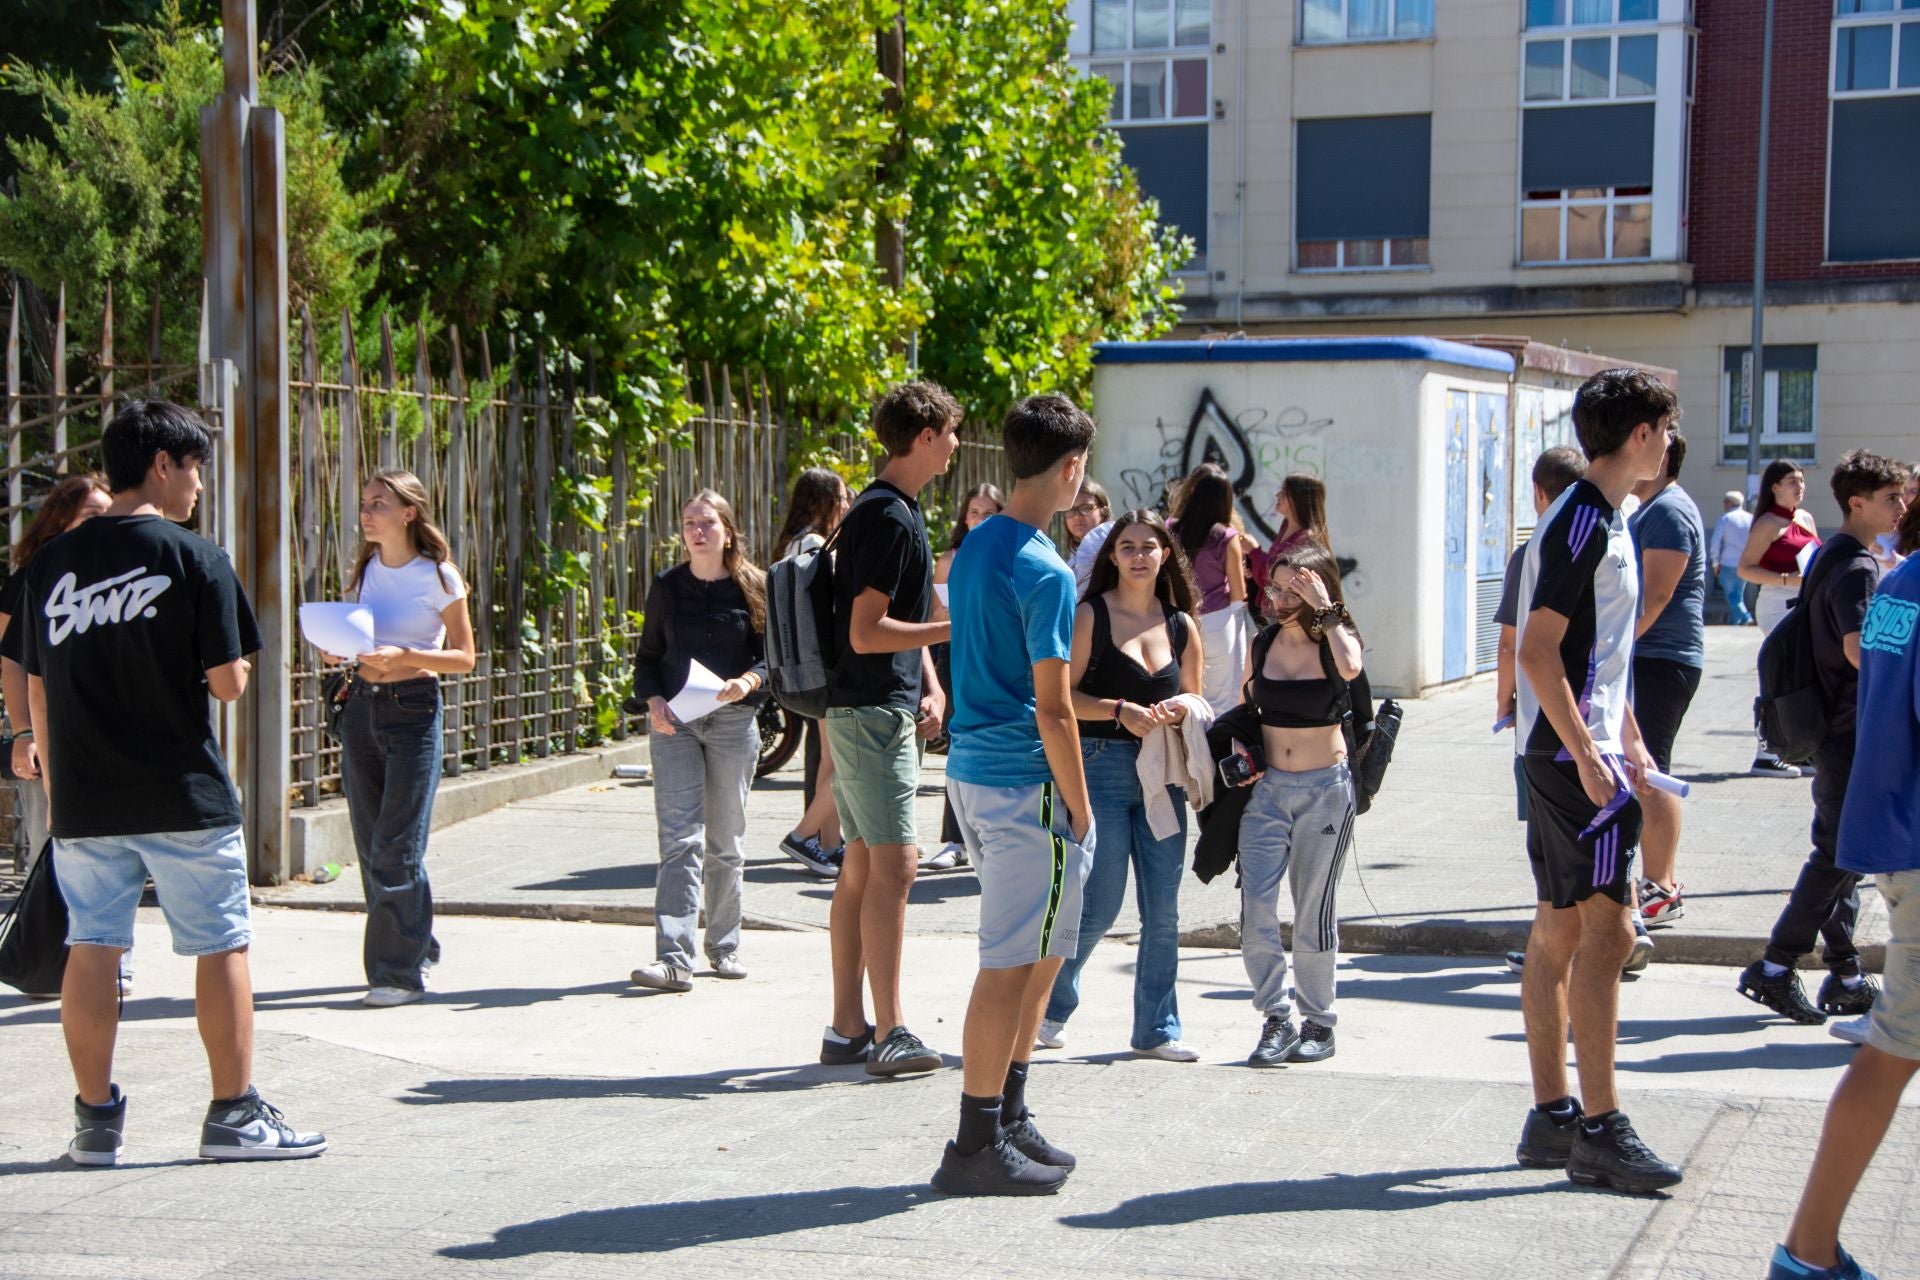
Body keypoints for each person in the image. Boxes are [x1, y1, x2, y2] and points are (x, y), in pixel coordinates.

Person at [22, 400, 325, 1164]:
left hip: (86, 796)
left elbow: (33, 683)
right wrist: (238, 663)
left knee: (90, 945)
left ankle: (95, 1125)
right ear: (162, 464)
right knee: (220, 943)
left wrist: (53, 780)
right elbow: (228, 684)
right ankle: (233, 1116)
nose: (197, 486)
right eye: (193, 468)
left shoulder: (49, 567)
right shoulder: (195, 557)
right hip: (181, 789)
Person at [1511, 368, 1681, 1195]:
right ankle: (1601, 1129)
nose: (1669, 441)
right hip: (1567, 757)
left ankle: (1552, 1117)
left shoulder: (1602, 515)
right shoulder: (1584, 518)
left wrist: (1630, 739)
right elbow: (1540, 652)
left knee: (1561, 928)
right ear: (1641, 433)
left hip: (1574, 750)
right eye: (1665, 426)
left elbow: (1597, 658)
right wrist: (1587, 753)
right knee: (1608, 934)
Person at [935, 393, 1095, 1196]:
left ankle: (1005, 1113)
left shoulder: (975, 545)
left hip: (972, 769)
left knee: (1036, 953)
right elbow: (1055, 706)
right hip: (1022, 780)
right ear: (1071, 469)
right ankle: (973, 1142)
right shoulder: (1047, 569)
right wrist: (1080, 801)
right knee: (1008, 965)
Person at [1766, 550, 1920, 1280]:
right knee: (1892, 1050)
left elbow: (1884, 678)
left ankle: (1809, 1251)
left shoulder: (1901, 583)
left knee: (1893, 1050)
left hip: (1895, 832)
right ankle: (1807, 1252)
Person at [1736, 452, 1911, 1028]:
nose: (1902, 507)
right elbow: (1858, 648)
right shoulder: (1858, 566)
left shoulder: (1829, 552)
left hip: (1827, 723)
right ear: (1857, 501)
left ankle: (1844, 972)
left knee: (1841, 851)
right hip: (1846, 727)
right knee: (1836, 854)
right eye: (1892, 498)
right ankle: (1775, 967)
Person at [819, 381, 957, 1077]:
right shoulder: (889, 518)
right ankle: (890, 1030)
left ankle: (848, 1025)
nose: (957, 446)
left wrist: (930, 681)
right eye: (951, 433)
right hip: (871, 709)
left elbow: (892, 624)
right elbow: (867, 632)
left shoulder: (886, 509)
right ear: (926, 435)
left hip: (872, 705)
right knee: (895, 864)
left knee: (865, 864)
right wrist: (958, 627)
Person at [1037, 509, 1205, 1060]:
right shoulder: (1091, 615)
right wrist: (1119, 710)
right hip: (1101, 766)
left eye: (1148, 546)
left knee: (1164, 910)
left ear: (1164, 556)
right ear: (1112, 556)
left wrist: (1182, 711)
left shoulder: (1181, 625)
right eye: (1127, 546)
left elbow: (1200, 704)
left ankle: (1158, 1030)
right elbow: (1061, 699)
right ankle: (1049, 1005)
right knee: (1099, 904)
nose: (1138, 555)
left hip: (1164, 777)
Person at [326, 470, 476, 1008]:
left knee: (397, 846)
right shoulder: (367, 567)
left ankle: (396, 973)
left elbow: (464, 656)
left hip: (413, 709)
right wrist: (339, 647)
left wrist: (406, 656)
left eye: (378, 504)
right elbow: (365, 639)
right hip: (362, 707)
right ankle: (417, 946)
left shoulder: (438, 575)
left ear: (408, 513)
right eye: (365, 503)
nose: (366, 513)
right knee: (373, 846)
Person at [628, 490, 767, 993]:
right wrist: (654, 701)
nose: (697, 531)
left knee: (725, 843)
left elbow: (771, 658)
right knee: (679, 841)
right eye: (689, 523)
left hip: (732, 723)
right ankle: (673, 957)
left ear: (728, 530)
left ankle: (725, 945)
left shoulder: (753, 585)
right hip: (676, 724)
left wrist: (747, 683)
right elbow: (647, 658)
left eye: (706, 522)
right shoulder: (667, 586)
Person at [1236, 544, 1363, 1068]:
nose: (1281, 597)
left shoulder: (1336, 642)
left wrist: (1326, 607)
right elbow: (1246, 707)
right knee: (1257, 910)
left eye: (1295, 588)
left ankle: (1319, 1021)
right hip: (1267, 793)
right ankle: (1276, 1017)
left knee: (1313, 911)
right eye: (1277, 587)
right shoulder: (1263, 643)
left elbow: (1353, 669)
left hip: (1325, 791)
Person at [1, 478, 112, 855]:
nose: (102, 523)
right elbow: (12, 663)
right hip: (48, 733)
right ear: (58, 521)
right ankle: (46, 917)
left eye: (108, 514)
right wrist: (23, 734)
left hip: (104, 734)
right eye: (91, 515)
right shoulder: (31, 578)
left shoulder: (116, 574)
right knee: (50, 849)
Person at [1627, 430, 1707, 931]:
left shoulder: (1669, 511)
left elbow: (1655, 597)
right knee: (1647, 774)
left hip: (1662, 656)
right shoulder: (1654, 508)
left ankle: (1660, 887)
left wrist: (1607, 650)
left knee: (1651, 775)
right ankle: (1658, 885)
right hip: (1654, 655)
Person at [773, 467, 851, 879]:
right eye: (840, 497)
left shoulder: (792, 542)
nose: (845, 504)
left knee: (829, 758)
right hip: (825, 668)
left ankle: (829, 842)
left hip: (804, 668)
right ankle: (804, 836)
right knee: (842, 763)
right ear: (825, 501)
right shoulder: (816, 544)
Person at [927, 482, 1006, 872]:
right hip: (957, 656)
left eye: (989, 512)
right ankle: (955, 839)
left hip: (998, 658)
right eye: (974, 512)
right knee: (959, 748)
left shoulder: (1009, 554)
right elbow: (934, 619)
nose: (980, 519)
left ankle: (990, 836)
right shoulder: (951, 557)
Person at [1739, 461, 1820, 778]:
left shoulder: (1805, 517)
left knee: (1803, 675)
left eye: (1801, 480)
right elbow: (1745, 569)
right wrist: (1788, 579)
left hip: (1802, 604)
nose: (1799, 486)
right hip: (1776, 602)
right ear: (1774, 487)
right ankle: (1766, 751)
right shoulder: (1768, 523)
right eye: (1791, 481)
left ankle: (1799, 749)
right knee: (1781, 672)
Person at [1170, 466, 1251, 714]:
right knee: (1222, 697)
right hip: (1218, 621)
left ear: (1192, 491)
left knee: (1185, 693)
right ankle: (1219, 749)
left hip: (1178, 618)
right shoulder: (1226, 537)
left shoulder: (1170, 528)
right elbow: (1238, 593)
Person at [1249, 472, 1331, 601]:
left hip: (1285, 610)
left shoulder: (1304, 540)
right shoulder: (1286, 525)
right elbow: (1273, 565)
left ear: (1298, 499)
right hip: (1272, 606)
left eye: (1284, 492)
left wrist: (1254, 551)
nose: (1277, 495)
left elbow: (1275, 576)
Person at [1708, 490, 1755, 625]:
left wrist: (1715, 562)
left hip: (1728, 562)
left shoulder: (1726, 518)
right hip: (1745, 562)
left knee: (1732, 595)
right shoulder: (1750, 518)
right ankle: (1735, 622)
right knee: (1738, 594)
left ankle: (1746, 618)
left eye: (1725, 501)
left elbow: (1715, 542)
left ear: (1729, 503)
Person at [1064, 478, 1113, 595]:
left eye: (1086, 508)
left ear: (1103, 511)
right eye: (1070, 509)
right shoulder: (1072, 560)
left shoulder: (1115, 552)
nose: (1077, 516)